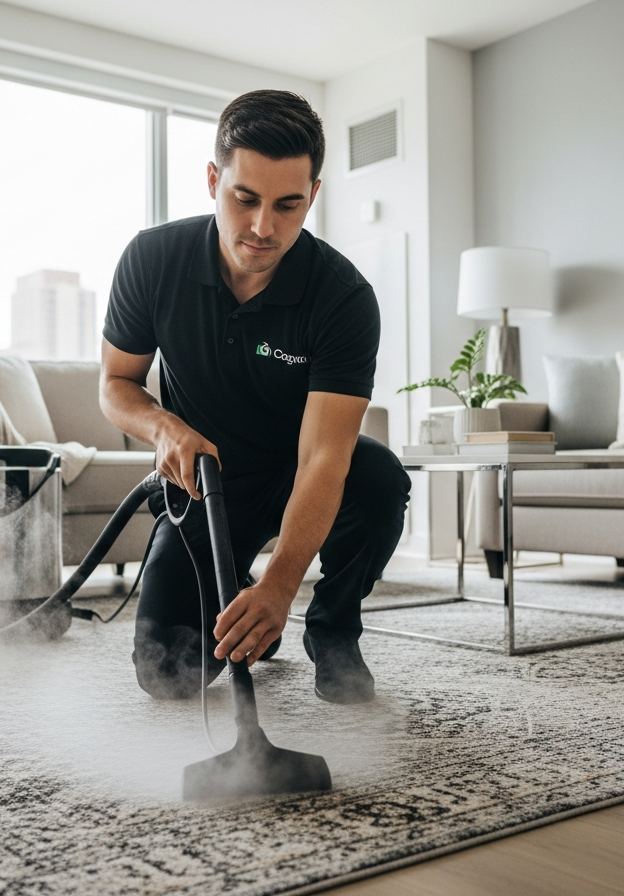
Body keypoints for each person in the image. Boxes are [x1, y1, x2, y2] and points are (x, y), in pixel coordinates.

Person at [99, 89, 410, 704]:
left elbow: (324, 457)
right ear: (214, 179)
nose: (264, 228)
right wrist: (163, 428)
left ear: (313, 196)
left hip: (301, 468)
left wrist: (281, 587)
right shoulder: (152, 260)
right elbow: (115, 385)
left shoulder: (343, 297)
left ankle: (333, 630)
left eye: (288, 205)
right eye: (245, 199)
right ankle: (240, 601)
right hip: (208, 485)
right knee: (168, 677)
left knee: (379, 479)